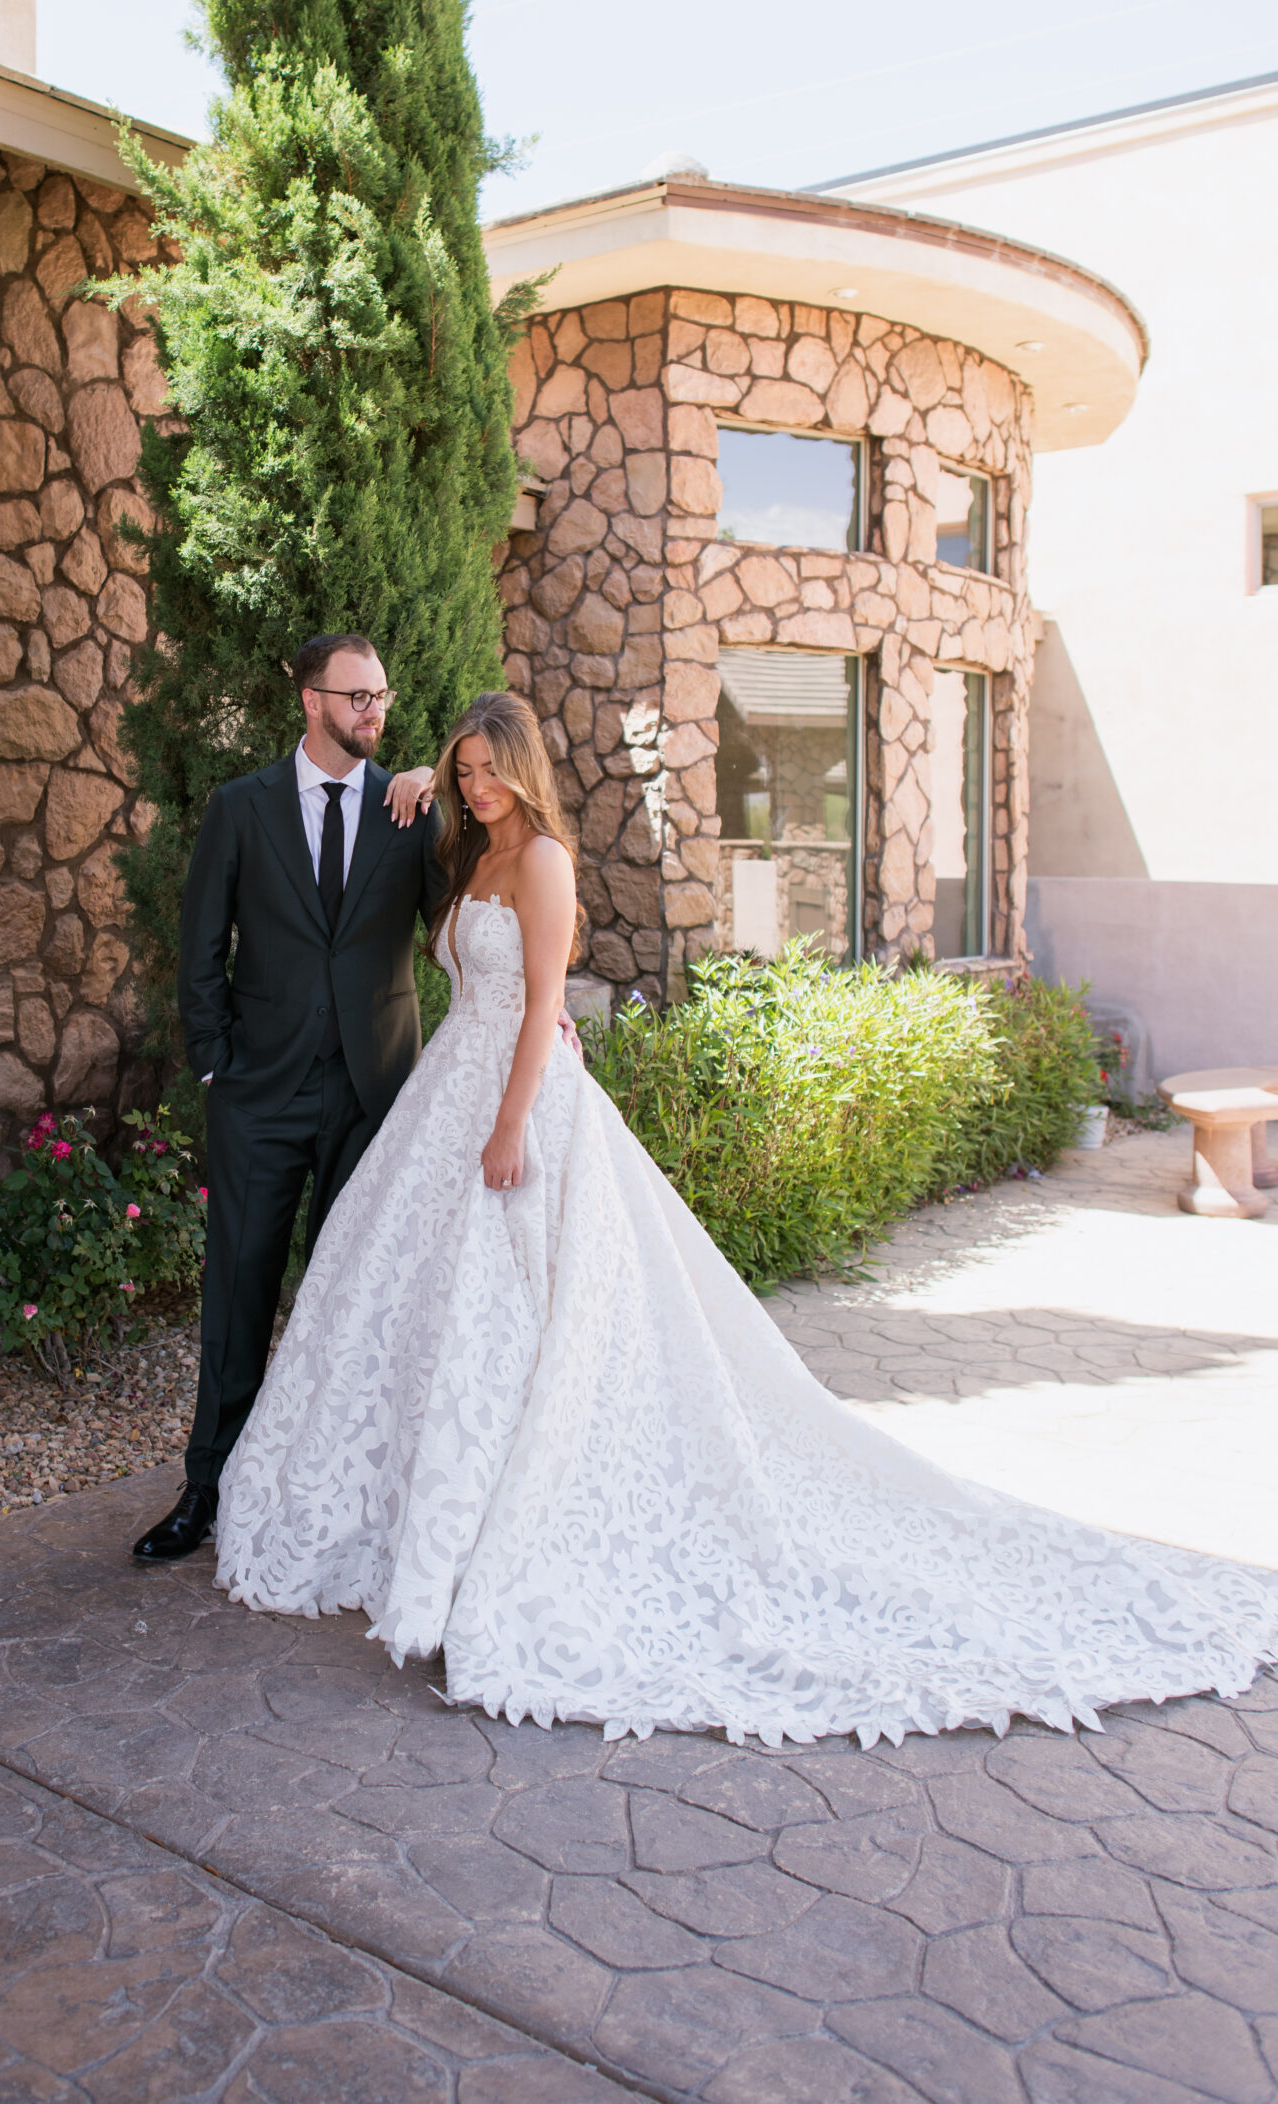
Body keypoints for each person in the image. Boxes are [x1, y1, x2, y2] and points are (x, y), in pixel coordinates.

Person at [215, 690, 1278, 1746]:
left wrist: (509, 1126)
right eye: (465, 771)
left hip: (516, 1106)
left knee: (522, 1317)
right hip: (447, 1090)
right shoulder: (468, 850)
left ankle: (505, 1524)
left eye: (493, 769)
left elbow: (543, 1005)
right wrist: (414, 777)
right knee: (424, 1313)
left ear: (526, 769)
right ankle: (421, 1523)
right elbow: (455, 924)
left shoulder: (540, 859)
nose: (479, 785)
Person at [131, 637, 577, 1564]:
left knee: (354, 1302)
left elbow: (476, 910)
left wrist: (547, 1003)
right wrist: (216, 1067)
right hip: (258, 1096)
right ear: (311, 700)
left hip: (379, 1098)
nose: (373, 710)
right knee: (238, 1293)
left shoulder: (409, 812)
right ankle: (206, 1486)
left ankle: (327, 1490)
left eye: (381, 696)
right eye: (357, 696)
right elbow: (199, 948)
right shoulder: (240, 808)